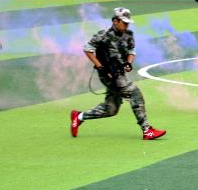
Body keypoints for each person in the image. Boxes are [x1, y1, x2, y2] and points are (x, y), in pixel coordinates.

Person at [70, 8, 166, 141]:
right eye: (124, 23)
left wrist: (128, 63)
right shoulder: (104, 34)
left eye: (128, 23)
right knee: (134, 93)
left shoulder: (129, 34)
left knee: (111, 109)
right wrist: (100, 67)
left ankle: (79, 117)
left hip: (120, 72)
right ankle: (147, 130)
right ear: (115, 21)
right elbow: (87, 49)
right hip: (108, 75)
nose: (126, 26)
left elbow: (132, 50)